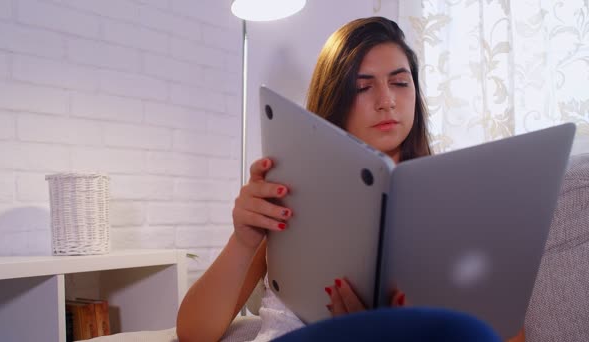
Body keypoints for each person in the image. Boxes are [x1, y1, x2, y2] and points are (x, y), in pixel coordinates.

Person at [176, 16, 523, 342]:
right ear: (336, 99)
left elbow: (506, 331)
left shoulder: (450, 195)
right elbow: (194, 332)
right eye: (362, 88)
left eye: (400, 83)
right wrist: (244, 238)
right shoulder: (292, 191)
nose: (387, 101)